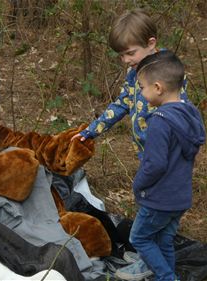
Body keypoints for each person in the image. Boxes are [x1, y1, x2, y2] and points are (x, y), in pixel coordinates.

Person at [115, 51, 205, 280]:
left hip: (159, 199)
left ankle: (166, 277)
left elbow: (155, 164)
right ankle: (165, 274)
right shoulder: (190, 114)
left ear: (158, 87)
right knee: (164, 239)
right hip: (180, 197)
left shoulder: (160, 122)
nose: (142, 93)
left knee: (140, 238)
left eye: (143, 87)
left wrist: (138, 185)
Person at [71, 8, 188, 161]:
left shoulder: (169, 70)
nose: (126, 60)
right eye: (121, 55)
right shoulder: (134, 72)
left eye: (131, 53)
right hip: (145, 153)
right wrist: (91, 131)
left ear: (151, 43)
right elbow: (122, 103)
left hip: (168, 155)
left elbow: (181, 111)